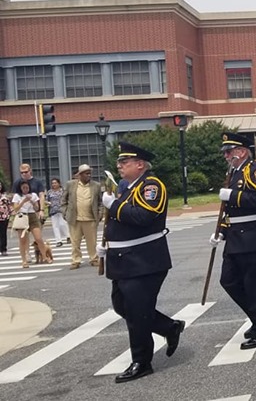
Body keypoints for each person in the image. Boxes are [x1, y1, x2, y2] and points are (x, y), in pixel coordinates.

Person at [98, 141, 184, 383]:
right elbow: (118, 222)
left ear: (139, 164)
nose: (119, 166)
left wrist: (112, 204)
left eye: (124, 162)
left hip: (145, 261)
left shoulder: (151, 185)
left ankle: (141, 361)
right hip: (124, 260)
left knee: (137, 312)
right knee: (122, 306)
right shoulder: (126, 187)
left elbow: (143, 217)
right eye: (119, 162)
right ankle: (169, 328)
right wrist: (106, 245)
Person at [209, 132, 256, 350]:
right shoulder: (233, 172)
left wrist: (232, 196)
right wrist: (221, 230)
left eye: (229, 151)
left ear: (242, 151)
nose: (226, 156)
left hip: (253, 236)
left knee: (255, 286)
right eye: (225, 152)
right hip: (236, 237)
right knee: (228, 280)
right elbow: (229, 211)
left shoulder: (254, 170)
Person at [63, 165, 104, 270]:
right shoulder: (70, 184)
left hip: (90, 218)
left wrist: (100, 214)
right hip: (74, 218)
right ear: (80, 175)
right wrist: (65, 212)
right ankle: (75, 260)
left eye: (89, 173)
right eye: (86, 173)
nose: (89, 175)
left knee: (92, 241)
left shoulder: (96, 185)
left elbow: (100, 202)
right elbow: (64, 200)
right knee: (75, 241)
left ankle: (94, 259)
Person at [12, 183, 53, 268]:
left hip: (32, 216)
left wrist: (32, 202)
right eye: (23, 188)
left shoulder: (33, 195)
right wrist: (23, 201)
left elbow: (36, 208)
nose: (25, 189)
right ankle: (24, 260)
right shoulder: (17, 196)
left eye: (27, 187)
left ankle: (45, 257)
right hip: (22, 216)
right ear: (20, 188)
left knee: (38, 238)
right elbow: (15, 208)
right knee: (22, 240)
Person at [47, 178, 69, 247]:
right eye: (53, 183)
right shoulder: (49, 192)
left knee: (63, 224)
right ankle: (58, 240)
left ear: (59, 183)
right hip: (53, 210)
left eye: (55, 183)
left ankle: (68, 236)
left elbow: (67, 199)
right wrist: (49, 203)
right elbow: (46, 200)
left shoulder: (63, 191)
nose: (54, 184)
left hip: (62, 209)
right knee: (55, 226)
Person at [0, 181, 11, 256]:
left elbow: (9, 205)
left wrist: (11, 213)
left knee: (3, 233)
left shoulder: (4, 196)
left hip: (4, 217)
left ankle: (3, 249)